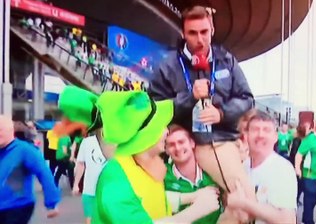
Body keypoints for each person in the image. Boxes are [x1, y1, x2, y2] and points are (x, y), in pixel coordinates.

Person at [53, 86, 219, 223]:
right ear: (143, 139)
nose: (166, 131)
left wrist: (191, 197)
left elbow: (151, 199)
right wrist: (196, 210)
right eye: (160, 125)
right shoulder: (116, 180)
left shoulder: (139, 165)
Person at [148, 5, 255, 209]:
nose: (200, 39)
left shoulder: (226, 60)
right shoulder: (168, 66)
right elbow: (155, 109)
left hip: (226, 139)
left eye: (204, 32)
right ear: (183, 33)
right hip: (194, 143)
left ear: (212, 30)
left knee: (239, 209)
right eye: (192, 33)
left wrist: (221, 114)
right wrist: (189, 98)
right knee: (246, 203)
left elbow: (247, 99)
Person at [227, 111, 297, 223]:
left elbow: (287, 220)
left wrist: (243, 203)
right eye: (255, 129)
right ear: (246, 135)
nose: (260, 135)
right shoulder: (243, 166)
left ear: (275, 137)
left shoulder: (282, 169)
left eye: (266, 130)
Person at [0, 115, 60, 223]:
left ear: (11, 130)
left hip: (17, 207)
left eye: (1, 130)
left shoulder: (25, 150)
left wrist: (52, 202)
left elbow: (44, 173)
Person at [164, 124, 222, 224]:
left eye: (181, 142)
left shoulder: (211, 170)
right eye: (171, 145)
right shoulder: (163, 175)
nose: (177, 148)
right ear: (166, 150)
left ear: (192, 143)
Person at [72, 134, 107, 224]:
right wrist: (76, 184)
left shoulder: (117, 142)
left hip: (109, 191)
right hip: (90, 190)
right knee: (90, 219)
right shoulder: (87, 142)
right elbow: (80, 164)